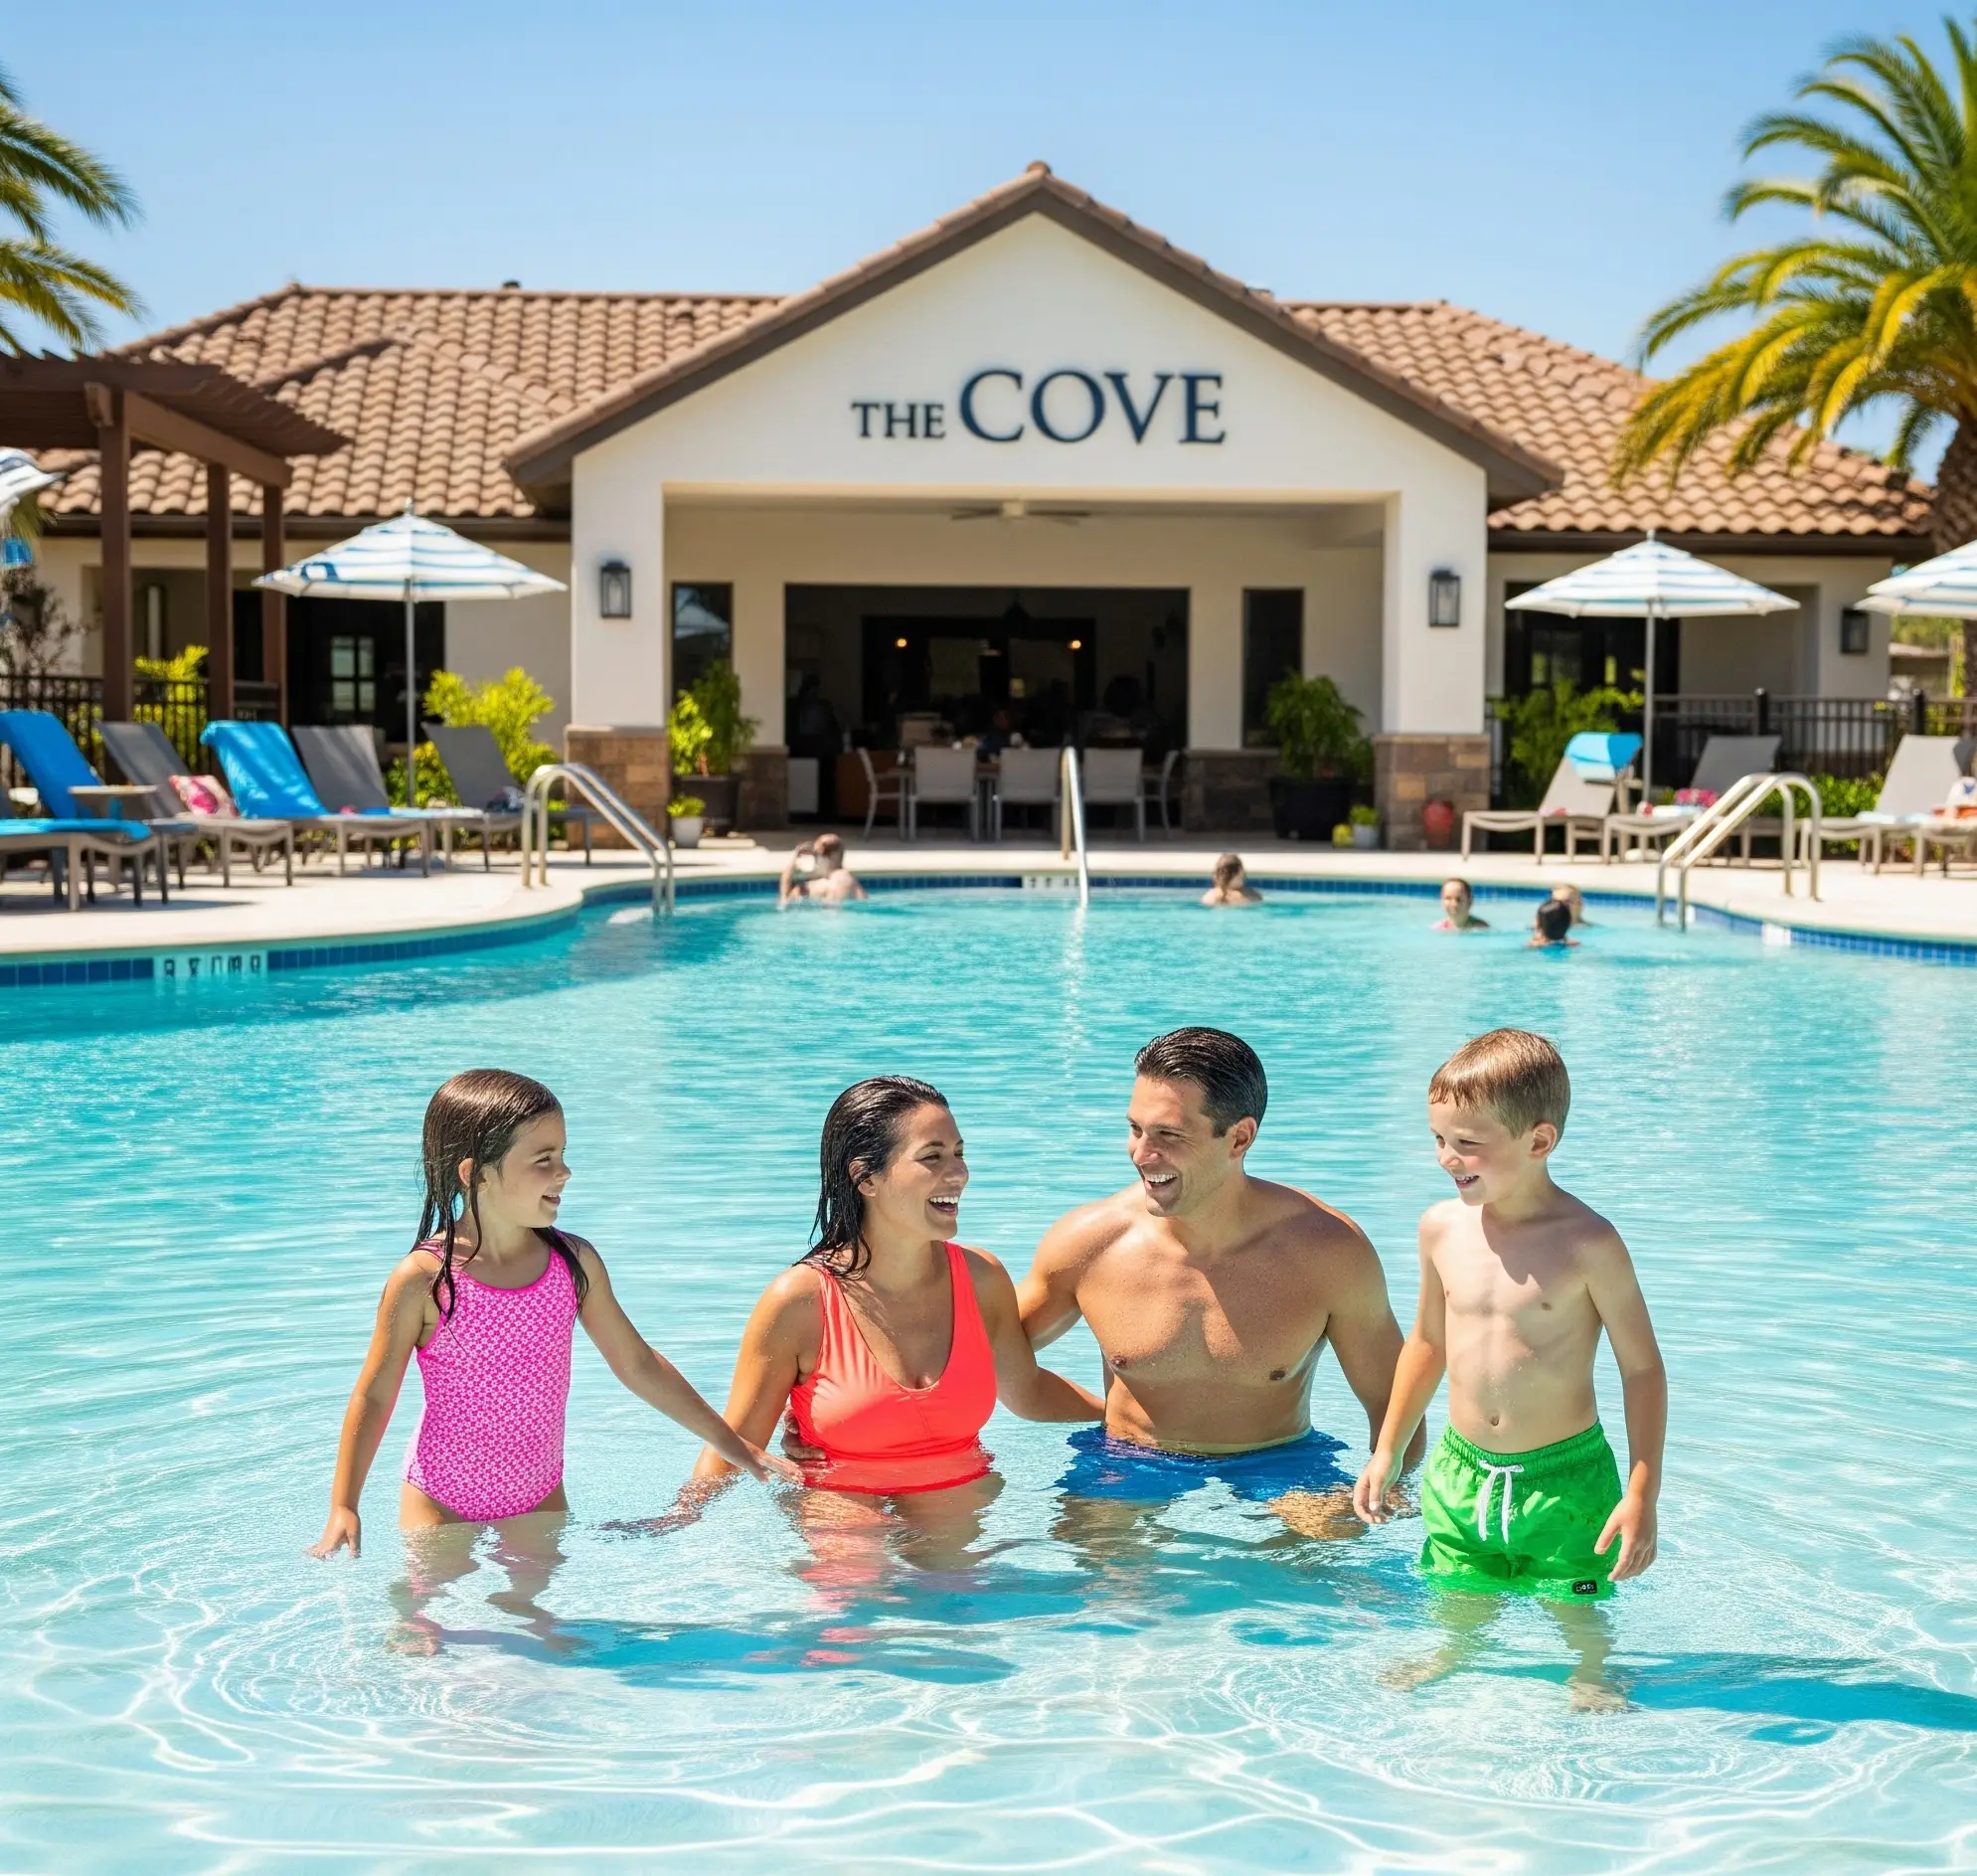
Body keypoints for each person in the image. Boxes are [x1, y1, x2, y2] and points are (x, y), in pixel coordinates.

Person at [308, 1072, 792, 1633]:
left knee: (534, 1615)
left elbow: (637, 1365)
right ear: (475, 1173)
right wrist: (344, 1503)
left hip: (538, 1492)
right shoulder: (426, 1280)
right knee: (424, 1619)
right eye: (544, 1159)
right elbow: (376, 1392)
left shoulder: (572, 1264)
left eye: (562, 1154)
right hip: (441, 1495)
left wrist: (735, 1446)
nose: (564, 1172)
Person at [1353, 1030, 1666, 1702]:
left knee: (1574, 1597)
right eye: (1438, 1139)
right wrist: (1387, 1450)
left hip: (1564, 1480)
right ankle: (1454, 1652)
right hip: (1460, 1472)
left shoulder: (1587, 1243)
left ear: (1538, 1140)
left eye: (1466, 1143)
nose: (1447, 1158)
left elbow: (1641, 1369)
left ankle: (1591, 1668)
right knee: (1458, 1589)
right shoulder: (1440, 1228)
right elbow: (1427, 1343)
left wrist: (1642, 1493)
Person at [1015, 1029, 1421, 1539]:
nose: (1142, 1154)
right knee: (1099, 1569)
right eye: (1136, 1129)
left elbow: (1392, 1400)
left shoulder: (1328, 1251)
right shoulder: (1090, 1242)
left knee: (1321, 1558)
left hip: (1282, 1461)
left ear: (1239, 1138)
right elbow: (981, 1351)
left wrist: (1390, 1482)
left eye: (1169, 1135)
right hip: (1129, 1457)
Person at [694, 1077, 1102, 1564]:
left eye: (959, 1153)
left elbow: (1027, 1391)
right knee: (854, 1594)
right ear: (866, 1178)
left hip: (954, 1485)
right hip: (841, 1493)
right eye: (932, 1157)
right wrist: (682, 1521)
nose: (959, 1173)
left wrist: (1130, 1419)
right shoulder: (800, 1300)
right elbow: (736, 1442)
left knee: (956, 1591)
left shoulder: (981, 1278)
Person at [779, 832, 866, 905]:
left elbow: (785, 901)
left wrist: (796, 857)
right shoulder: (851, 881)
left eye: (816, 857)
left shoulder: (817, 886)